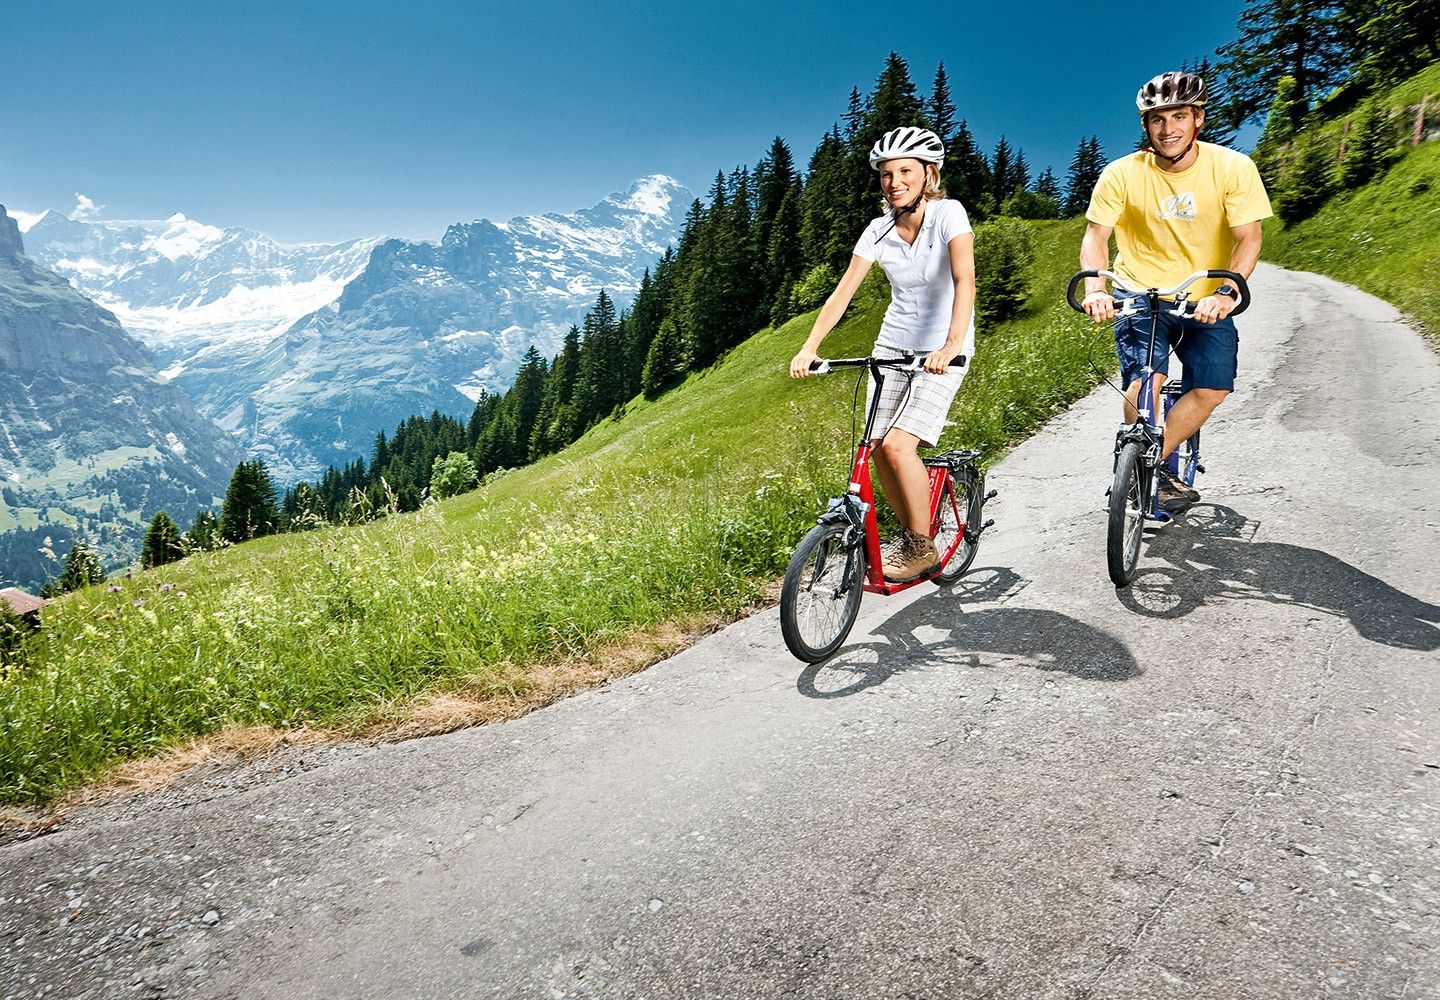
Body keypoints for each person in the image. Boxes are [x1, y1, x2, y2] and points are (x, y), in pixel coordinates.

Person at [1079, 70, 1272, 512]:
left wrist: (1225, 293)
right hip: (1140, 293)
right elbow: (1095, 235)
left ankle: (1155, 461)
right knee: (1145, 378)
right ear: (1146, 126)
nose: (1168, 129)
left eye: (1179, 117)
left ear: (1198, 119)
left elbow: (1249, 237)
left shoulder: (1233, 168)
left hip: (1204, 299)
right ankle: (1137, 453)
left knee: (1213, 387)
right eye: (1157, 120)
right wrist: (1096, 287)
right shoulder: (1121, 174)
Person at [790, 126, 977, 582]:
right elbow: (841, 295)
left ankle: (921, 546)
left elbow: (964, 280)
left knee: (898, 445)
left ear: (928, 174)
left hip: (942, 347)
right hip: (893, 345)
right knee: (874, 449)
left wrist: (951, 345)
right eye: (887, 174)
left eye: (905, 171)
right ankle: (915, 526)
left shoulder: (948, 214)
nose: (895, 182)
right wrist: (810, 346)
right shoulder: (877, 231)